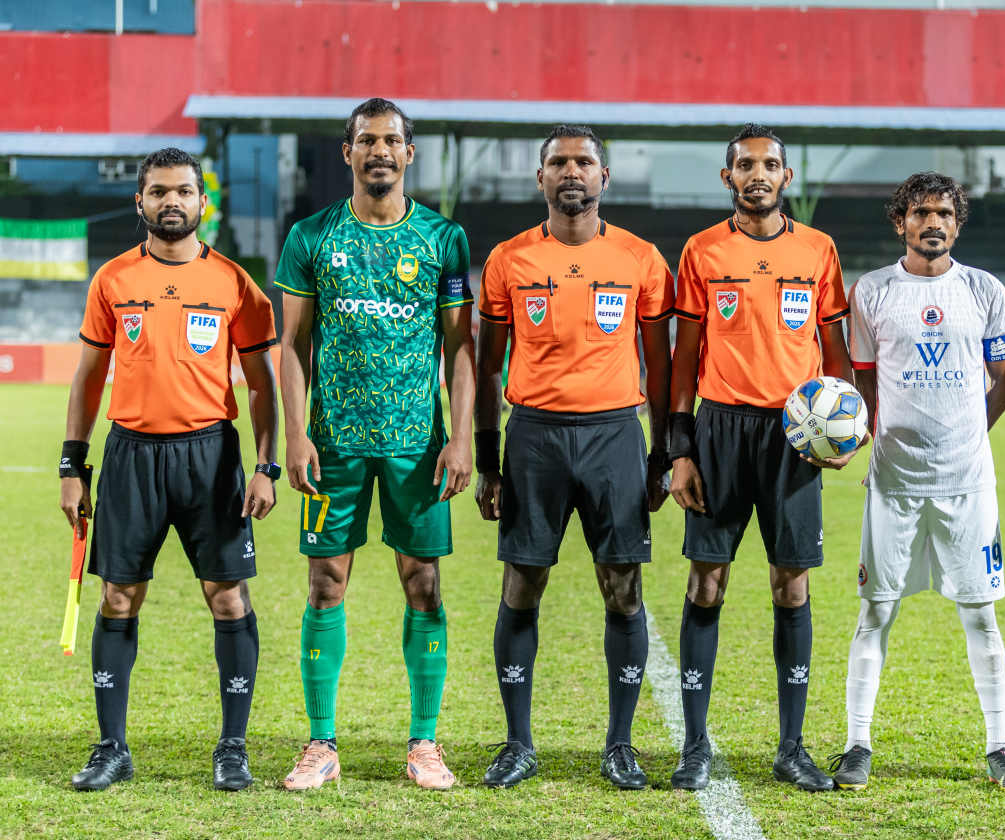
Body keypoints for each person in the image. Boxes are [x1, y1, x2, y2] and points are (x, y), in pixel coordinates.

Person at [59, 147, 279, 792]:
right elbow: (88, 376)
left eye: (183, 191)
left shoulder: (235, 282)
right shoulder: (113, 279)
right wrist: (72, 464)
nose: (171, 201)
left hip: (210, 456)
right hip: (130, 455)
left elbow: (263, 385)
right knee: (118, 596)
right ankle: (112, 748)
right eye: (158, 192)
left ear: (202, 201)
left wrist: (265, 465)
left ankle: (232, 748)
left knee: (227, 595)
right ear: (141, 202)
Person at [275, 98, 475, 791]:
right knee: (325, 583)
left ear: (409, 154)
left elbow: (462, 348)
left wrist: (461, 439)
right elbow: (291, 344)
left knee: (423, 583)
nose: (380, 150)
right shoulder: (311, 236)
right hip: (333, 448)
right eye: (367, 140)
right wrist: (296, 433)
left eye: (392, 140)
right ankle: (321, 742)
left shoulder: (443, 238)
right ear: (348, 152)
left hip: (418, 446)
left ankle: (425, 742)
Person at [473, 125, 673, 790]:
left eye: (584, 162)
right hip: (534, 438)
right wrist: (488, 459)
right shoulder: (508, 260)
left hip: (615, 435)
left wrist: (662, 454)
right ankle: (518, 743)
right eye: (558, 162)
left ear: (603, 177)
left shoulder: (642, 259)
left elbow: (661, 364)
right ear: (541, 178)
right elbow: (488, 366)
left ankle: (620, 745)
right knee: (522, 584)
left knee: (623, 587)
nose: (571, 171)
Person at [830, 172, 1005, 792]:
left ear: (957, 223)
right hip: (893, 482)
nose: (933, 223)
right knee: (876, 611)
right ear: (901, 222)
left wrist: (970, 435)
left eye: (944, 213)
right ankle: (857, 744)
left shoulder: (984, 290)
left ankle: (1000, 746)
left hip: (968, 483)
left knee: (981, 616)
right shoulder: (872, 291)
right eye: (920, 213)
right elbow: (864, 379)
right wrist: (865, 438)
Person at [667, 124, 853, 792]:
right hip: (719, 431)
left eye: (769, 165)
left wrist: (844, 431)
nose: (758, 175)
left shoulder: (819, 250)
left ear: (786, 177)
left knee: (791, 585)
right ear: (728, 178)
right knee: (706, 582)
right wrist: (680, 449)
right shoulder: (702, 250)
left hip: (795, 435)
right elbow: (684, 357)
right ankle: (694, 746)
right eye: (745, 165)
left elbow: (836, 355)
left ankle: (792, 748)